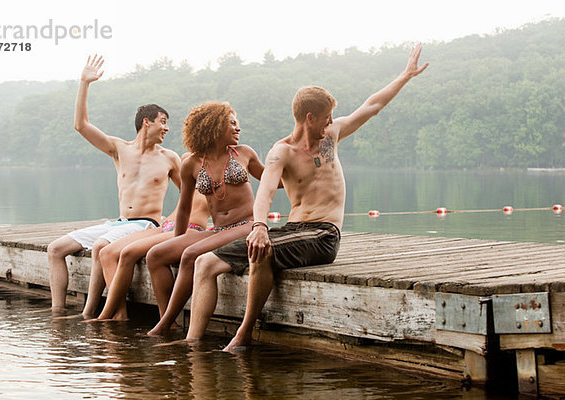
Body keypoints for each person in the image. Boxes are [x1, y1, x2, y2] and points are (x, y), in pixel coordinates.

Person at [182, 44, 429, 349]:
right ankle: (191, 343)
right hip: (293, 230)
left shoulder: (332, 136)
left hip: (324, 234)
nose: (331, 122)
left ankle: (243, 334)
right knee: (205, 263)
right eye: (326, 117)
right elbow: (266, 192)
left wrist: (405, 75)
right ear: (309, 117)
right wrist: (259, 227)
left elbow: (372, 106)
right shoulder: (281, 152)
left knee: (263, 251)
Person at [47, 55, 181, 315]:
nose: (167, 128)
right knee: (55, 249)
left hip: (145, 225)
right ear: (147, 122)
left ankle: (93, 313)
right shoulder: (120, 149)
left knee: (102, 245)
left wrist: (171, 222)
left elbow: (190, 194)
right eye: (163, 122)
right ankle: (57, 313)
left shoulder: (169, 158)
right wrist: (84, 83)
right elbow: (81, 125)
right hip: (119, 223)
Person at [141, 101, 272, 335]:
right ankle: (169, 321)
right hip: (218, 229)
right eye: (231, 123)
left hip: (247, 225)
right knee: (156, 255)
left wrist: (300, 174)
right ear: (214, 126)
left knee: (191, 254)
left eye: (237, 123)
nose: (237, 128)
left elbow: (274, 182)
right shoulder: (191, 163)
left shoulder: (244, 153)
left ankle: (161, 327)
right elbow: (183, 208)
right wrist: (176, 241)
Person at [90, 153, 210, 322]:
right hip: (168, 223)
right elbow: (184, 197)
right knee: (107, 253)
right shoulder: (187, 159)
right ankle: (119, 314)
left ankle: (104, 315)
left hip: (192, 228)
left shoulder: (224, 164)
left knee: (128, 253)